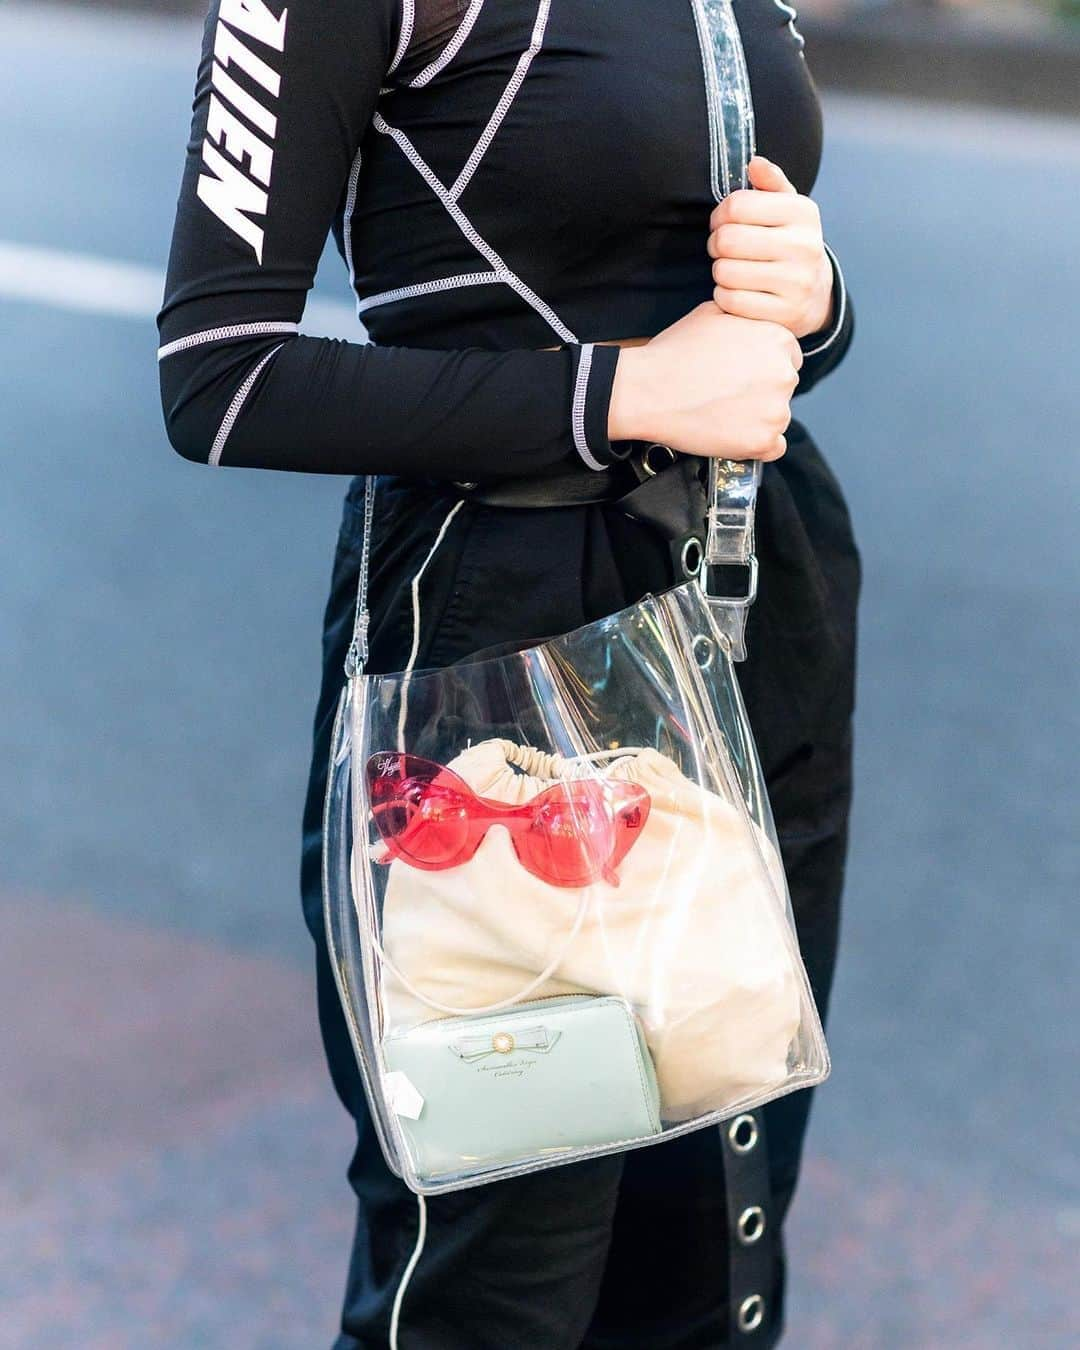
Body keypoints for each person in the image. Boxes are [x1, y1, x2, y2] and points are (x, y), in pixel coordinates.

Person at [157, 1, 861, 1344]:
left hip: (765, 603)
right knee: (498, 1279)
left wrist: (817, 305)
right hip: (501, 640)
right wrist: (616, 393)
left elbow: (751, 339)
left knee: (709, 1246)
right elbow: (219, 375)